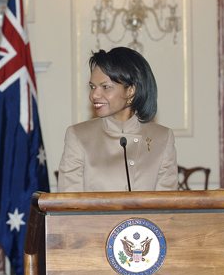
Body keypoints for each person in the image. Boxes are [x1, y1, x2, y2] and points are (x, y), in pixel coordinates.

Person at [57, 47, 178, 192]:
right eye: (92, 87)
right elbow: (69, 208)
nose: (94, 95)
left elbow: (166, 208)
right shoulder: (78, 136)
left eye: (105, 87)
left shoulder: (163, 138)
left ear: (131, 91)